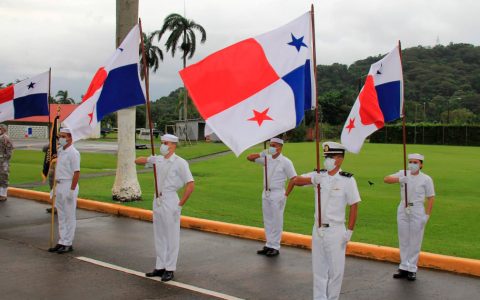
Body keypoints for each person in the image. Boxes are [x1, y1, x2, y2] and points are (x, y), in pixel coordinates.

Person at [286, 142, 360, 300]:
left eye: (331, 157)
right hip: (318, 229)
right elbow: (295, 180)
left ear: (340, 159)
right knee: (319, 270)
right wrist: (312, 181)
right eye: (326, 156)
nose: (327, 159)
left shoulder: (347, 180)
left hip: (335, 230)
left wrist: (350, 231)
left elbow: (354, 205)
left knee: (335, 271)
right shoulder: (318, 175)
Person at [135, 134, 194, 282]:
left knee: (171, 236)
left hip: (170, 199)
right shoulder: (159, 160)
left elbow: (190, 185)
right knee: (159, 234)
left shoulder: (180, 162)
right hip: (158, 199)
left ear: (173, 145)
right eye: (161, 142)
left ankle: (170, 268)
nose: (163, 145)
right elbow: (137, 161)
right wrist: (150, 159)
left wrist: (180, 205)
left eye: (165, 143)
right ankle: (160, 266)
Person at [384, 153, 435, 281]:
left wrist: (427, 215)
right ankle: (403, 266)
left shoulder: (426, 179)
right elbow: (386, 179)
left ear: (421, 164)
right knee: (403, 238)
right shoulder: (403, 173)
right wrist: (399, 179)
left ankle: (412, 268)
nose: (412, 164)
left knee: (415, 240)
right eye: (410, 161)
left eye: (415, 162)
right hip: (403, 207)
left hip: (417, 209)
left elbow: (431, 197)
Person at [246, 137, 296, 257]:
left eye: (274, 145)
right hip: (266, 192)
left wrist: (286, 194)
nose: (271, 147)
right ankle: (269, 244)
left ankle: (275, 246)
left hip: (278, 193)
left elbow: (294, 179)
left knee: (277, 220)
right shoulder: (266, 159)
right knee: (267, 219)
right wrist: (261, 153)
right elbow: (249, 158)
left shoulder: (285, 162)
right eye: (270, 145)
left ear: (280, 147)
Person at [48, 128, 80, 254]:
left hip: (68, 184)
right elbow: (58, 170)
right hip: (60, 184)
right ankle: (61, 241)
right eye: (59, 136)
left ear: (70, 137)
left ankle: (68, 242)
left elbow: (76, 173)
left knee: (69, 216)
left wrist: (72, 190)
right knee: (61, 216)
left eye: (63, 136)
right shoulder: (61, 151)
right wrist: (54, 189)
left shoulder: (74, 153)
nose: (60, 138)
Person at [0, 124, 13, 202]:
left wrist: (5, 159)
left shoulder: (5, 137)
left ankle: (3, 195)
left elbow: (9, 150)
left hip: (3, 161)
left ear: (4, 129)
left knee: (4, 177)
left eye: (0, 128)